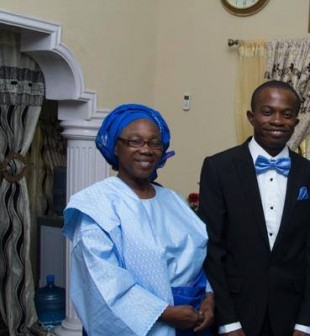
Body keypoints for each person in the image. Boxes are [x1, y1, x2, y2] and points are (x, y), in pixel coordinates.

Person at [62, 104, 214, 336]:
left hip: (194, 321)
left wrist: (210, 298)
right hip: (146, 323)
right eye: (135, 141)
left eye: (154, 143)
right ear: (115, 146)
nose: (146, 150)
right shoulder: (97, 205)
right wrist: (166, 313)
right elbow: (102, 282)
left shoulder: (171, 199)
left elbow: (202, 254)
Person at [198, 80, 310, 336]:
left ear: (296, 122)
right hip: (236, 312)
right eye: (268, 112)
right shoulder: (219, 167)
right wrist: (228, 321)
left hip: (290, 316)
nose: (277, 120)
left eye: (286, 114)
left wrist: (305, 322)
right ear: (251, 117)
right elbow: (213, 247)